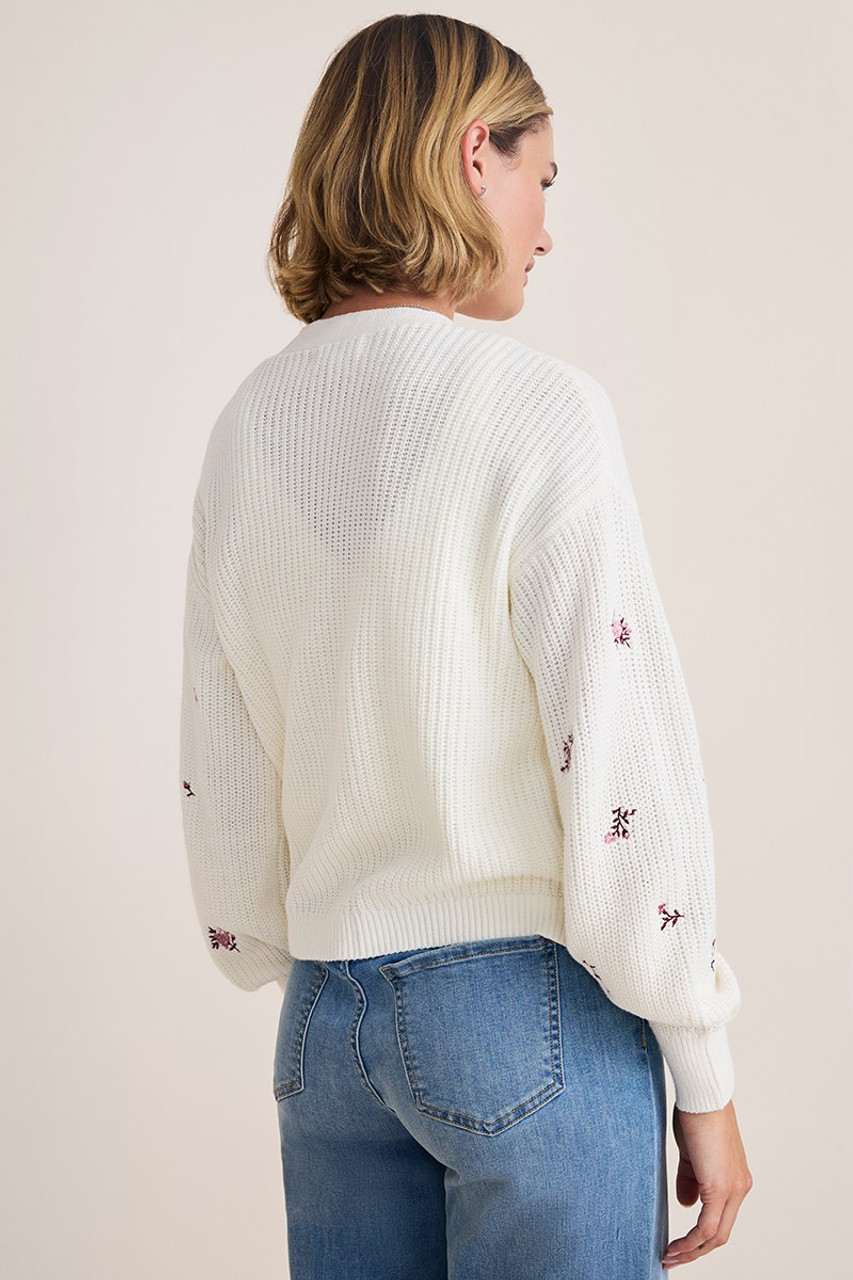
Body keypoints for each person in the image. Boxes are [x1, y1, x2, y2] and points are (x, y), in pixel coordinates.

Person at [178, 13, 752, 1278]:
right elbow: (619, 744)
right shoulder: (538, 410)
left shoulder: (247, 429)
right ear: (469, 153)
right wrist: (701, 1064)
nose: (546, 231)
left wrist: (271, 942)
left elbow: (220, 758)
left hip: (326, 1028)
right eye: (541, 179)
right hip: (523, 1022)